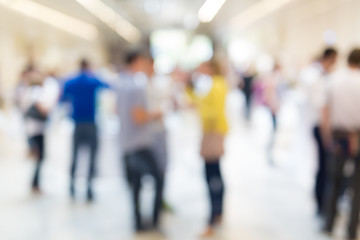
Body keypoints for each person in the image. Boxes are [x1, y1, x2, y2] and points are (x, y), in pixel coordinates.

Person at [116, 51, 164, 232]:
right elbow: (138, 116)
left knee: (135, 185)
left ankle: (137, 221)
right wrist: (157, 113)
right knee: (159, 178)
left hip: (126, 142)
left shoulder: (120, 83)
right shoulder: (136, 86)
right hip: (140, 142)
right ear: (137, 62)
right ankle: (155, 219)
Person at [322, 48, 360, 240]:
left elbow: (325, 110)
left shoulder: (334, 79)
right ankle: (351, 231)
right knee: (357, 187)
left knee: (334, 180)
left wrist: (326, 135)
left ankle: (329, 224)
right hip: (357, 136)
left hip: (338, 135)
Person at [187, 60, 228, 237]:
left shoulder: (217, 85)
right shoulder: (213, 84)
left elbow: (214, 111)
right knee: (214, 173)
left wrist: (199, 107)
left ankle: (212, 217)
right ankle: (217, 213)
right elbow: (200, 100)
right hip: (212, 131)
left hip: (212, 131)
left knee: (211, 175)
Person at [60, 59, 109, 202]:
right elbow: (108, 86)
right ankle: (89, 187)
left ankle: (72, 186)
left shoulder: (71, 81)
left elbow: (63, 99)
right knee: (91, 156)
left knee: (75, 155)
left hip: (77, 123)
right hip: (90, 122)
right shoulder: (93, 80)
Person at [299, 48, 338, 216]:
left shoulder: (325, 77)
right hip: (321, 126)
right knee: (324, 167)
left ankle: (323, 203)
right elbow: (320, 106)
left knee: (325, 167)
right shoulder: (318, 78)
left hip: (320, 125)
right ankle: (321, 204)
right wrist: (327, 134)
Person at [17, 65, 59, 193]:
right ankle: (35, 183)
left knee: (39, 157)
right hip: (36, 128)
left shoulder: (27, 90)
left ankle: (35, 182)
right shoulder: (35, 91)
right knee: (40, 157)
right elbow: (44, 110)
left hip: (31, 127)